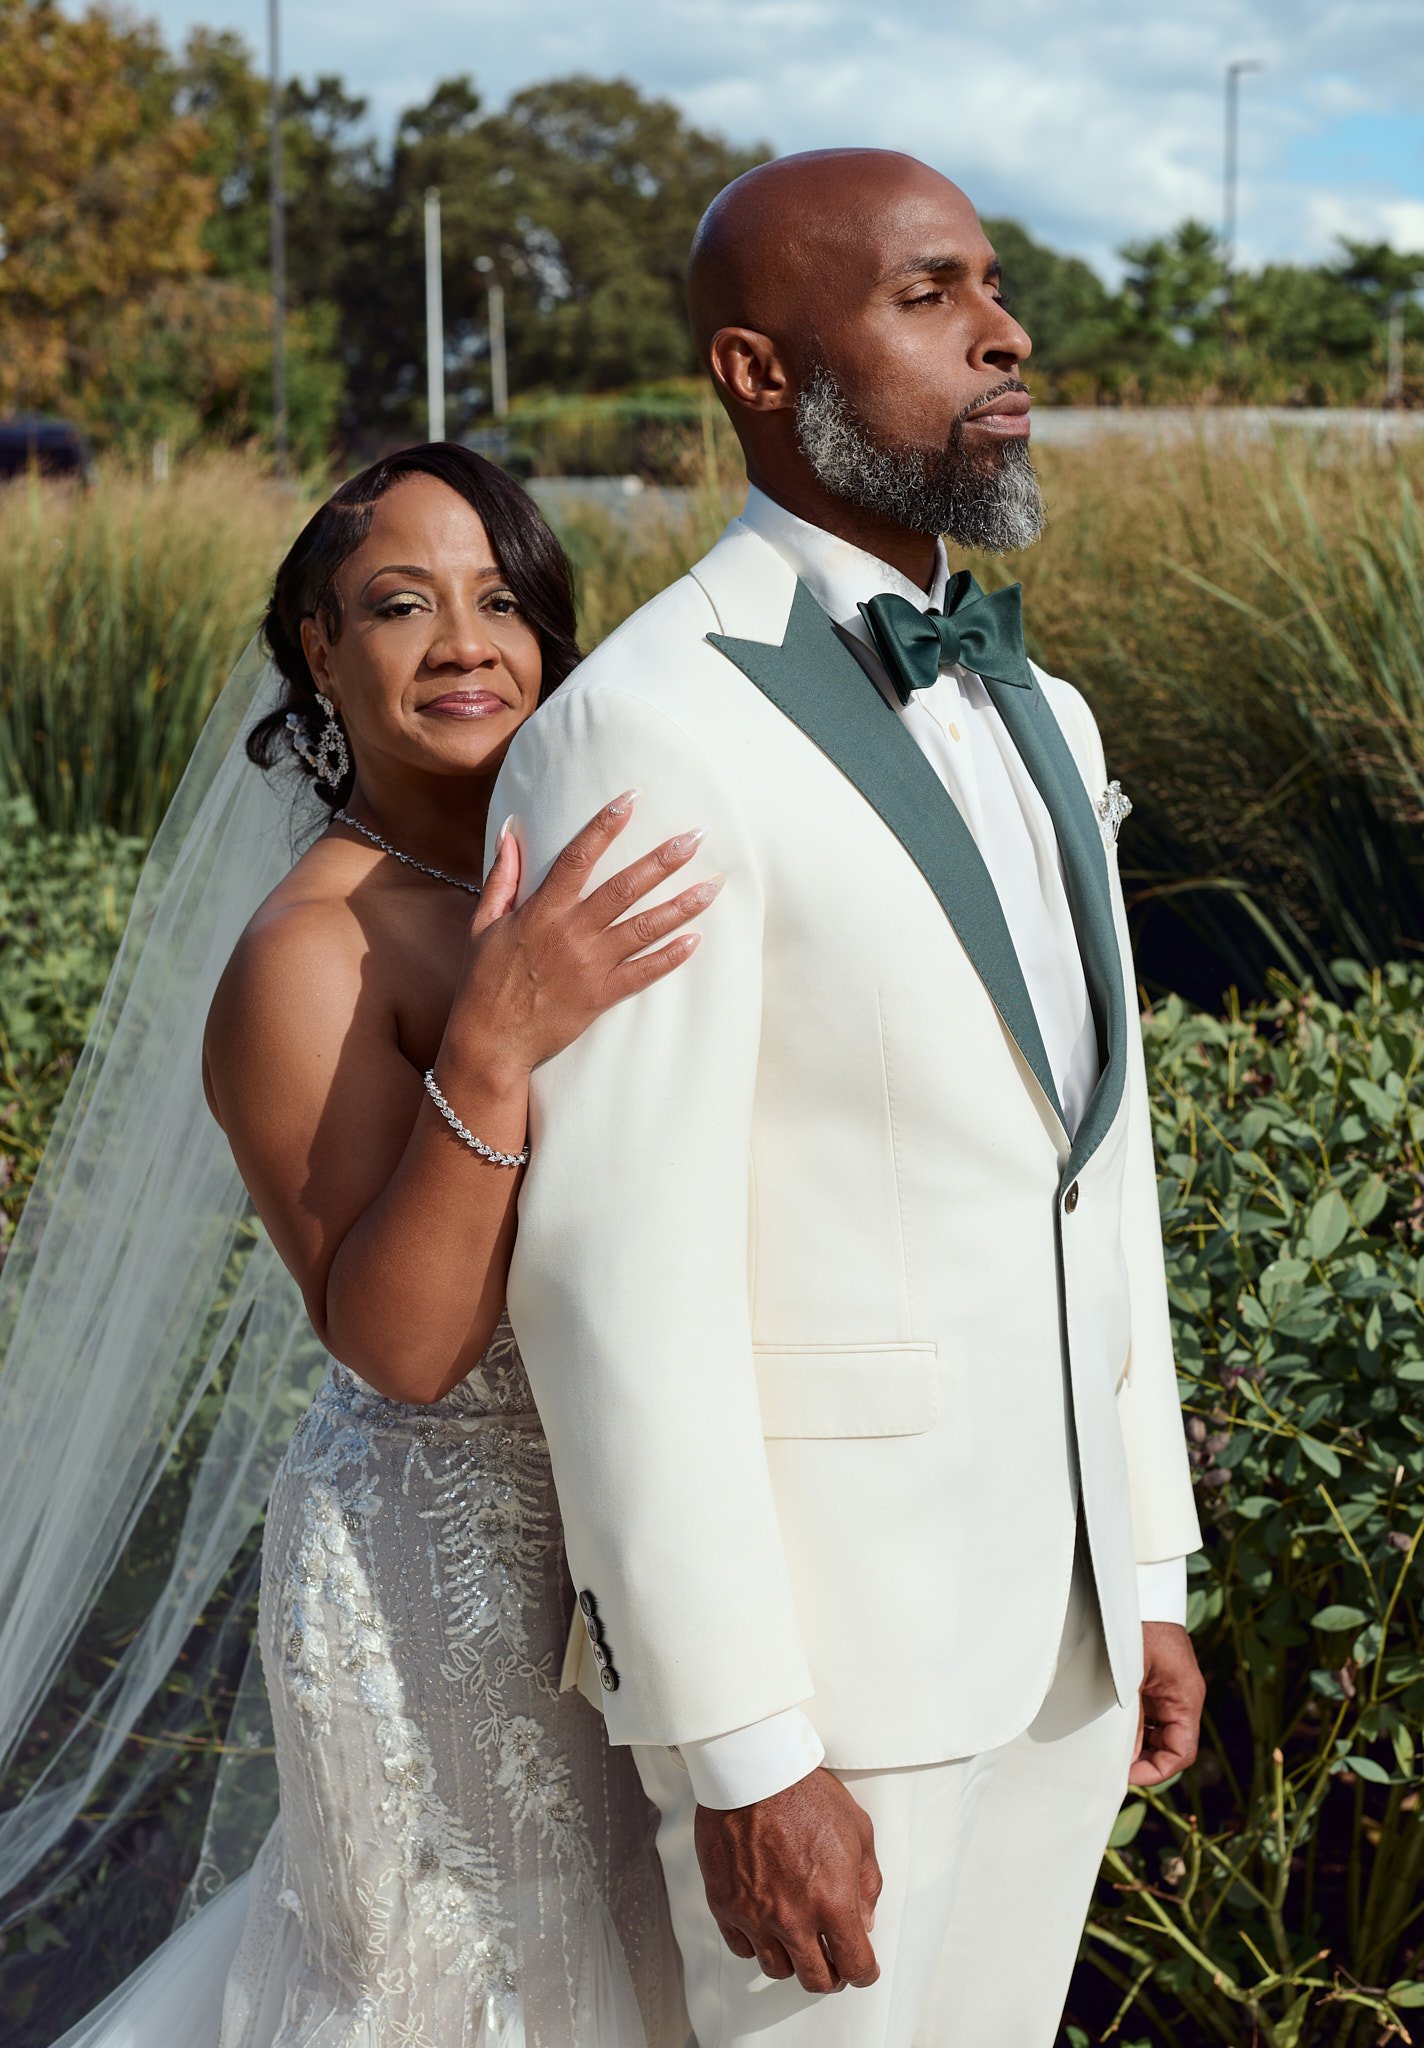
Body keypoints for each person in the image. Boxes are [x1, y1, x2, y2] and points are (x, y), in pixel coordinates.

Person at [488, 150, 1206, 2048]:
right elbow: (611, 1283)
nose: (1003, 330)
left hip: (1056, 1645)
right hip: (835, 1693)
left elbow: (1092, 1169)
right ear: (755, 371)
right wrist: (740, 1743)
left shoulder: (1049, 715)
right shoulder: (645, 727)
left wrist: (1143, 1566)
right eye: (926, 295)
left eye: (990, 280)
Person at [11, 444, 701, 2048]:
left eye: (502, 598)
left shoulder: (578, 864)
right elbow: (397, 1342)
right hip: (441, 1579)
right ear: (321, 651)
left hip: (638, 1544)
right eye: (403, 605)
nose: (467, 643)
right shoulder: (308, 952)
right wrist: (493, 1042)